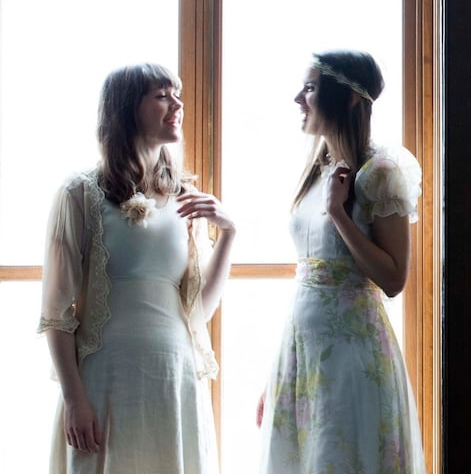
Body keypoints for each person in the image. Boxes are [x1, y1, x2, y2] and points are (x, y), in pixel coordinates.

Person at [38, 63, 236, 473]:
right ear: (127, 108)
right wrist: (75, 400)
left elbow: (196, 310)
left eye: (177, 94)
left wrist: (229, 233)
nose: (178, 104)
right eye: (163, 95)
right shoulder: (80, 193)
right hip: (105, 381)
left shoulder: (186, 199)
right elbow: (57, 316)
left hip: (174, 379)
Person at [257, 50, 426, 473]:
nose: (299, 98)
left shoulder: (380, 172)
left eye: (311, 88)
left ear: (349, 99)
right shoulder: (317, 169)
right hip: (302, 349)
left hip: (352, 354)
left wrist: (338, 213)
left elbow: (393, 279)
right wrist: (277, 371)